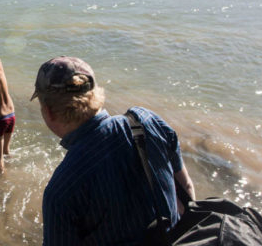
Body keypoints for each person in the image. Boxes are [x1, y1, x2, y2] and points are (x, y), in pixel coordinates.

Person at [31, 56, 195, 245]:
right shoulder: (147, 121)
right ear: (95, 93)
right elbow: (185, 192)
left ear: (49, 112)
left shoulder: (61, 190)